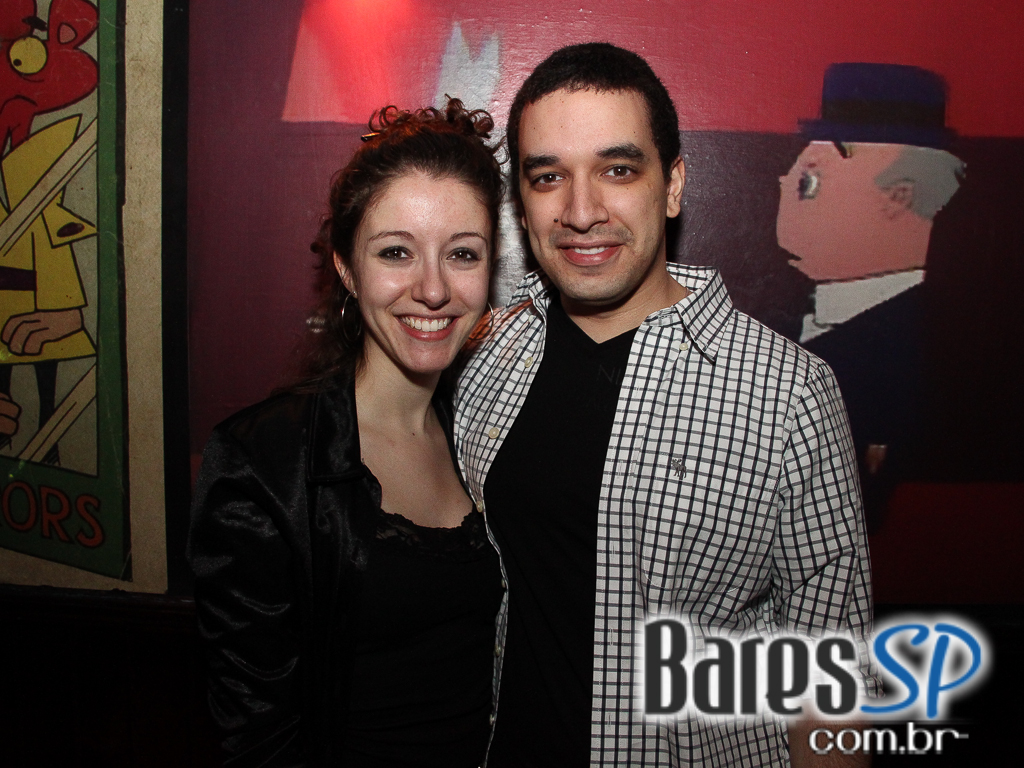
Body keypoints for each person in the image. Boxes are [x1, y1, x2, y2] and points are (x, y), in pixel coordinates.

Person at [455, 43, 877, 767]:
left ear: (673, 185)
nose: (581, 212)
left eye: (618, 170)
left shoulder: (789, 394)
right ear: (520, 203)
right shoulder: (486, 356)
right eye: (548, 176)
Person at [188, 99, 505, 767]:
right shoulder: (266, 464)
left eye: (462, 254)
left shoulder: (491, 427)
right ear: (346, 268)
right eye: (396, 252)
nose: (433, 289)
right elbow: (258, 739)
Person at [776, 63, 964, 529]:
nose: (783, 186)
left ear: (898, 197)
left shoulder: (922, 354)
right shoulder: (776, 324)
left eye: (809, 182)